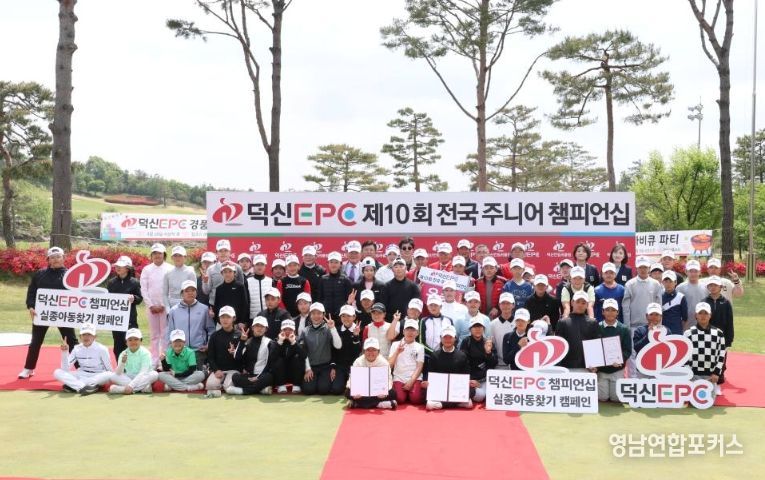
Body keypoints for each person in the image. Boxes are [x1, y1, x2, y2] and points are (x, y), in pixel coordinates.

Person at [19, 246, 78, 379]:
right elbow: (32, 292)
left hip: (63, 314)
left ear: (63, 258)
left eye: (58, 257)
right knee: (35, 341)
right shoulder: (40, 274)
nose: (55, 259)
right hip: (42, 314)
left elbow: (77, 296)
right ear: (48, 260)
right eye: (52, 257)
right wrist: (31, 306)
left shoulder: (70, 274)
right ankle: (28, 368)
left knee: (71, 341)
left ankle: (81, 368)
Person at [622, 256, 662, 377]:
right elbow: (626, 307)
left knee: (652, 352)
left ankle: (653, 378)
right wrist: (627, 327)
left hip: (652, 326)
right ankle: (634, 380)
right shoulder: (630, 284)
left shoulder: (656, 284)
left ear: (649, 268)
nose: (643, 269)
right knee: (633, 354)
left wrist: (659, 326)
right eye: (640, 267)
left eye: (645, 267)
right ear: (637, 268)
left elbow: (659, 305)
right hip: (634, 325)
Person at [166, 280, 215, 368]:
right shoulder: (173, 311)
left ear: (196, 292)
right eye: (187, 291)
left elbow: (211, 329)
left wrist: (208, 345)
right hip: (180, 350)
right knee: (180, 373)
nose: (190, 293)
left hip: (199, 351)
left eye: (193, 290)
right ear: (182, 294)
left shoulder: (204, 309)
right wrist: (170, 349)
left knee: (197, 374)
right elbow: (170, 331)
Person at [422, 325, 472, 410]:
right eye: (445, 337)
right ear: (441, 338)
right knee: (424, 393)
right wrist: (427, 382)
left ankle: (441, 404)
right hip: (439, 389)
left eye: (450, 337)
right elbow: (430, 373)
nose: (447, 340)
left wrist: (467, 382)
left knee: (471, 392)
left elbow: (466, 374)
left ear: (455, 338)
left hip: (456, 389)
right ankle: (457, 403)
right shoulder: (435, 355)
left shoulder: (462, 355)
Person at [53, 324, 112, 395]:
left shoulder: (102, 349)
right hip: (82, 374)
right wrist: (64, 352)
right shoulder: (76, 348)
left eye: (89, 334)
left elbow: (109, 369)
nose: (86, 337)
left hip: (98, 375)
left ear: (94, 337)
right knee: (57, 372)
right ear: (80, 336)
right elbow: (65, 369)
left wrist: (108, 379)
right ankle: (84, 387)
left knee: (109, 375)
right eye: (83, 334)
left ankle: (74, 385)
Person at [139, 243, 173, 364]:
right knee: (154, 335)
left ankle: (164, 359)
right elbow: (144, 289)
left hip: (165, 307)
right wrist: (151, 305)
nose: (157, 255)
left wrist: (164, 305)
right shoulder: (147, 269)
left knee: (165, 334)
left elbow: (171, 288)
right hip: (151, 307)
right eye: (154, 253)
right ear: (151, 255)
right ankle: (154, 360)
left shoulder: (170, 268)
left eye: (159, 253)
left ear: (164, 254)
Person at [298, 302, 342, 395]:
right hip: (311, 367)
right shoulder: (305, 331)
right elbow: (303, 352)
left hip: (325, 366)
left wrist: (333, 328)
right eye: (313, 313)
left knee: (323, 390)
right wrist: (307, 369)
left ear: (323, 314)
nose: (316, 316)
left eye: (319, 313)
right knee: (308, 390)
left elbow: (338, 346)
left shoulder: (328, 328)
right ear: (310, 315)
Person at [227, 316, 279, 395]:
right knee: (235, 377)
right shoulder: (247, 342)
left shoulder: (270, 343)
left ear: (266, 329)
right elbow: (237, 357)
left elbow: (270, 364)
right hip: (249, 376)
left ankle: (242, 391)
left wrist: (258, 377)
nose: (259, 328)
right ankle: (260, 390)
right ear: (252, 328)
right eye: (257, 326)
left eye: (262, 326)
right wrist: (242, 341)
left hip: (263, 375)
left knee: (269, 377)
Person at [685, 302, 726, 397]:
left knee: (708, 401)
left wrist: (716, 373)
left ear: (710, 315)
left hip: (710, 376)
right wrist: (688, 372)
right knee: (693, 401)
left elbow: (721, 355)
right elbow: (684, 355)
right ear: (696, 315)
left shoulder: (719, 334)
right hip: (693, 376)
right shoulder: (688, 333)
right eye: (700, 313)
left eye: (706, 313)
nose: (703, 316)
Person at [106, 256, 143, 361]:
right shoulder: (111, 282)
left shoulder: (134, 282)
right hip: (116, 320)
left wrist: (134, 298)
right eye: (117, 266)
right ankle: (120, 367)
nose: (118, 268)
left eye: (121, 266)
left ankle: (133, 366)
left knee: (131, 343)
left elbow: (140, 298)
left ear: (127, 268)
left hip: (130, 319)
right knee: (118, 345)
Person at [554, 291, 600, 372]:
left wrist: (594, 364)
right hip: (566, 368)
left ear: (587, 305)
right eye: (577, 302)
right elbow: (558, 347)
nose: (580, 305)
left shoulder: (593, 323)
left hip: (587, 368)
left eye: (583, 303)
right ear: (572, 302)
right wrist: (559, 367)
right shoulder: (562, 322)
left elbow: (596, 345)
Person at [596, 299, 631, 402]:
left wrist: (620, 360)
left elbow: (627, 350)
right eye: (607, 310)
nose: (610, 312)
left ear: (617, 312)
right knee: (602, 397)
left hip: (617, 369)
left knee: (616, 398)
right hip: (602, 370)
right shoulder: (597, 327)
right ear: (603, 312)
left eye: (613, 310)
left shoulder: (624, 329)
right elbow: (594, 349)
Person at [346, 338, 396, 409]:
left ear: (378, 352)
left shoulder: (384, 362)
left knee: (393, 393)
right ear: (364, 351)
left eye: (374, 350)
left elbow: (389, 379)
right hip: (362, 389)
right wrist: (355, 391)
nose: (371, 352)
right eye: (368, 350)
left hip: (377, 390)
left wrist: (384, 391)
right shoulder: (358, 362)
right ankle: (380, 404)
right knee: (347, 392)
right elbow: (352, 379)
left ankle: (358, 404)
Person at [205, 306, 244, 397]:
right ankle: (222, 384)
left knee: (228, 387)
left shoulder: (240, 335)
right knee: (210, 386)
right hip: (219, 370)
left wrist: (235, 352)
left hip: (234, 370)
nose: (225, 320)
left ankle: (226, 385)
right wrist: (216, 370)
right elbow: (210, 356)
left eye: (228, 317)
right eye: (222, 317)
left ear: (234, 318)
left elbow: (243, 357)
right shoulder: (214, 336)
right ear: (219, 319)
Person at [109, 328, 159, 394]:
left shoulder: (146, 353)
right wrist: (122, 363)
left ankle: (123, 389)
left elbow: (143, 372)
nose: (133, 342)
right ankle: (142, 388)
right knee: (113, 376)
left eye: (136, 339)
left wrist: (131, 386)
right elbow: (118, 373)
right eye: (130, 340)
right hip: (129, 377)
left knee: (154, 374)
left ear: (140, 341)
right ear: (126, 342)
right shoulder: (123, 353)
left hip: (142, 377)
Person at [459, 319, 497, 403]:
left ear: (484, 329)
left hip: (485, 379)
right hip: (471, 379)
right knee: (480, 396)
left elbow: (493, 364)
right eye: (475, 327)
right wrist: (470, 379)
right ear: (470, 329)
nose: (477, 329)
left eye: (480, 327)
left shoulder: (488, 342)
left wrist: (488, 352)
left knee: (489, 396)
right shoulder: (466, 342)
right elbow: (463, 362)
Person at [704, 276, 734, 384]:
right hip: (707, 335)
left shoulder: (726, 302)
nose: (713, 287)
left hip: (722, 336)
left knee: (721, 358)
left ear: (720, 287)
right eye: (711, 285)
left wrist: (729, 338)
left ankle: (720, 376)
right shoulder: (704, 302)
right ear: (708, 287)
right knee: (708, 357)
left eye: (715, 285)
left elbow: (730, 321)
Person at [389, 319, 426, 405]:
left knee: (416, 399)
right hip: (399, 377)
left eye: (413, 330)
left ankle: (412, 392)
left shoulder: (420, 347)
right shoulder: (395, 344)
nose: (410, 332)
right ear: (403, 331)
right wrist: (397, 352)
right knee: (399, 399)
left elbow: (419, 366)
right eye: (407, 329)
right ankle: (405, 393)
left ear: (417, 333)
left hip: (414, 377)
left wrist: (411, 381)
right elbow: (390, 364)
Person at [331, 305, 363, 395]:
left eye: (348, 316)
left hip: (355, 366)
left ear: (354, 317)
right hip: (340, 366)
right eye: (343, 316)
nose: (346, 318)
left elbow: (358, 351)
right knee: (336, 390)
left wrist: (356, 336)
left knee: (355, 391)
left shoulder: (360, 329)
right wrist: (333, 367)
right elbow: (333, 350)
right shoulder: (336, 330)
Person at [203, 239, 245, 307]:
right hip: (215, 305)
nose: (223, 253)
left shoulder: (237, 268)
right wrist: (205, 282)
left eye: (226, 250)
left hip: (233, 305)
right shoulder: (210, 269)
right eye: (220, 251)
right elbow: (206, 291)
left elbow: (241, 289)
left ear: (230, 252)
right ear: (216, 253)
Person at [632, 304, 667, 378]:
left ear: (661, 316)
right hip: (642, 369)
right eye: (651, 314)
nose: (654, 317)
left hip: (661, 370)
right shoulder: (639, 330)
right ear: (646, 316)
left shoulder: (666, 331)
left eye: (657, 314)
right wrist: (649, 334)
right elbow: (636, 348)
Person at [381, 257, 421, 322]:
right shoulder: (386, 286)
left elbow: (416, 306)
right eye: (396, 267)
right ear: (392, 269)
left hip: (409, 322)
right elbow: (383, 306)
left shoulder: (413, 286)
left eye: (401, 266)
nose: (398, 269)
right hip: (390, 321)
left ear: (405, 268)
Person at [316, 251, 354, 318]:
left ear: (340, 264)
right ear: (328, 263)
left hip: (342, 316)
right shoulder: (323, 279)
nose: (333, 264)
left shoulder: (346, 280)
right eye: (331, 262)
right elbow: (319, 299)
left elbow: (348, 301)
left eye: (336, 262)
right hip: (326, 316)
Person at [273, 319, 306, 394]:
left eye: (290, 329)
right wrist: (280, 342)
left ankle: (296, 385)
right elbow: (272, 357)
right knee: (278, 359)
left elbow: (304, 355)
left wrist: (294, 342)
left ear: (294, 331)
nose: (287, 332)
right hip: (280, 374)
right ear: (281, 330)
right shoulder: (276, 340)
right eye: (285, 329)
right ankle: (281, 385)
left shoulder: (299, 340)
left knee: (297, 358)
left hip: (294, 373)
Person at [419, 294, 454, 360]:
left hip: (446, 356)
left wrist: (445, 352)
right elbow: (421, 342)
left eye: (435, 305)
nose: (433, 307)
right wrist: (434, 354)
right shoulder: (423, 321)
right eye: (431, 305)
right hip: (428, 357)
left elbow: (454, 338)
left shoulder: (448, 320)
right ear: (427, 306)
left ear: (440, 306)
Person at [163, 246, 196, 312]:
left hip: (187, 306)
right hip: (172, 306)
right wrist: (168, 309)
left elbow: (193, 292)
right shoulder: (168, 273)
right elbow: (164, 294)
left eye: (180, 256)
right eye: (175, 256)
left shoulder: (190, 272)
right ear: (172, 257)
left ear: (185, 257)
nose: (177, 258)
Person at [676, 260, 708, 328]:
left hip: (702, 324)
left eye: (696, 271)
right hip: (685, 324)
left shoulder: (706, 287)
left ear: (700, 272)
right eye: (690, 271)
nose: (693, 274)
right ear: (686, 271)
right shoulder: (680, 288)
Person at [491, 292, 516, 369]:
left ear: (513, 305)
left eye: (508, 303)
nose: (505, 306)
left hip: (515, 364)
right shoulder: (493, 324)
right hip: (498, 364)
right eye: (503, 303)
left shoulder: (518, 322)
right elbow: (492, 344)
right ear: (499, 305)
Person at [245, 254, 273, 321]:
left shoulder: (271, 281)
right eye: (257, 264)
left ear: (265, 266)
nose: (259, 267)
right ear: (253, 266)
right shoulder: (247, 281)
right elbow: (245, 302)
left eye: (262, 264)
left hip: (269, 317)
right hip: (252, 318)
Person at [661, 271, 687, 335]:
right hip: (662, 331)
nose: (668, 284)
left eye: (670, 281)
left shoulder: (681, 297)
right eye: (666, 281)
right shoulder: (659, 296)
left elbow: (684, 318)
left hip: (677, 332)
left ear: (675, 282)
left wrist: (678, 328)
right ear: (662, 282)